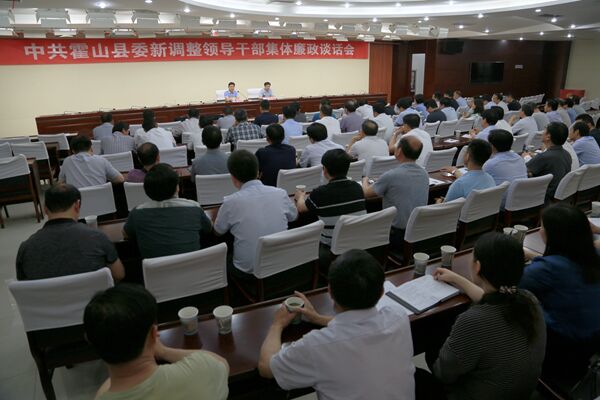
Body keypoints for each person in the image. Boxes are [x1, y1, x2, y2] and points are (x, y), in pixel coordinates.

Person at [258, 250, 415, 400]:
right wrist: (318, 318)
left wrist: (277, 324)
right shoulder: (398, 317)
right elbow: (358, 325)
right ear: (381, 292)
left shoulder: (317, 345)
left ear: (330, 291)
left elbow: (266, 368)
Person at [430, 233, 546, 400]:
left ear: (477, 267)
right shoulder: (529, 300)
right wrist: (457, 279)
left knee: (423, 367)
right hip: (522, 393)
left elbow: (443, 374)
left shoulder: (473, 320)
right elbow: (494, 296)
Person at [84, 284, 229, 400]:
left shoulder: (102, 395)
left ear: (91, 341)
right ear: (154, 334)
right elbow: (221, 363)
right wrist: (164, 351)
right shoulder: (202, 371)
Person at [520, 204, 600, 386]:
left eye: (542, 226)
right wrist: (533, 256)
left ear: (553, 234)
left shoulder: (547, 269)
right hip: (590, 341)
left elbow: (505, 290)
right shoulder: (593, 255)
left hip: (560, 347)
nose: (540, 230)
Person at [16, 183, 124, 281]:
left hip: (47, 297)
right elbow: (119, 274)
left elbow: (23, 285)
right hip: (94, 297)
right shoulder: (97, 237)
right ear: (77, 205)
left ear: (45, 209)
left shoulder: (26, 248)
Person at [214, 150, 297, 276]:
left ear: (233, 178)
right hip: (281, 264)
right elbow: (294, 217)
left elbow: (218, 231)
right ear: (258, 172)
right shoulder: (280, 193)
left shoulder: (230, 202)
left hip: (247, 272)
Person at [123, 164, 212, 259]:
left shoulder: (137, 213)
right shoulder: (194, 207)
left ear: (146, 190)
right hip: (192, 266)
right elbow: (209, 228)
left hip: (156, 268)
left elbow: (126, 234)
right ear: (177, 188)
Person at [362, 136, 428, 249]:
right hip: (418, 232)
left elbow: (366, 193)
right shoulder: (424, 174)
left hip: (396, 235)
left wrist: (365, 179)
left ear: (399, 151)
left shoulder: (391, 175)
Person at [296, 150, 366, 248]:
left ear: (324, 170)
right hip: (358, 240)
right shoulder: (357, 187)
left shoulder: (320, 193)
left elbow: (301, 208)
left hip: (330, 244)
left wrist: (300, 196)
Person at [525, 122, 572, 200]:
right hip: (560, 196)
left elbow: (524, 170)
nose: (542, 132)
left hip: (544, 197)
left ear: (548, 137)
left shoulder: (544, 157)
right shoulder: (567, 154)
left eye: (544, 130)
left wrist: (525, 157)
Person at [59, 135, 124, 188]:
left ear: (73, 151)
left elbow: (61, 183)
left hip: (78, 199)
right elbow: (120, 179)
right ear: (91, 148)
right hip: (102, 198)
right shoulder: (101, 160)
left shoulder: (67, 161)